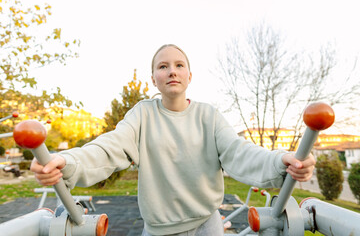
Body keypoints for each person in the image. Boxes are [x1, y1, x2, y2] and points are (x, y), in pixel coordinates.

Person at [31, 44, 316, 236]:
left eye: (179, 65)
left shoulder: (209, 116)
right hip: (158, 229)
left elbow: (240, 152)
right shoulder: (143, 114)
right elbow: (110, 146)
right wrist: (66, 162)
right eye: (163, 66)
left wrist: (281, 161)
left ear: (189, 76)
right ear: (154, 79)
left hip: (208, 224)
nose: (171, 71)